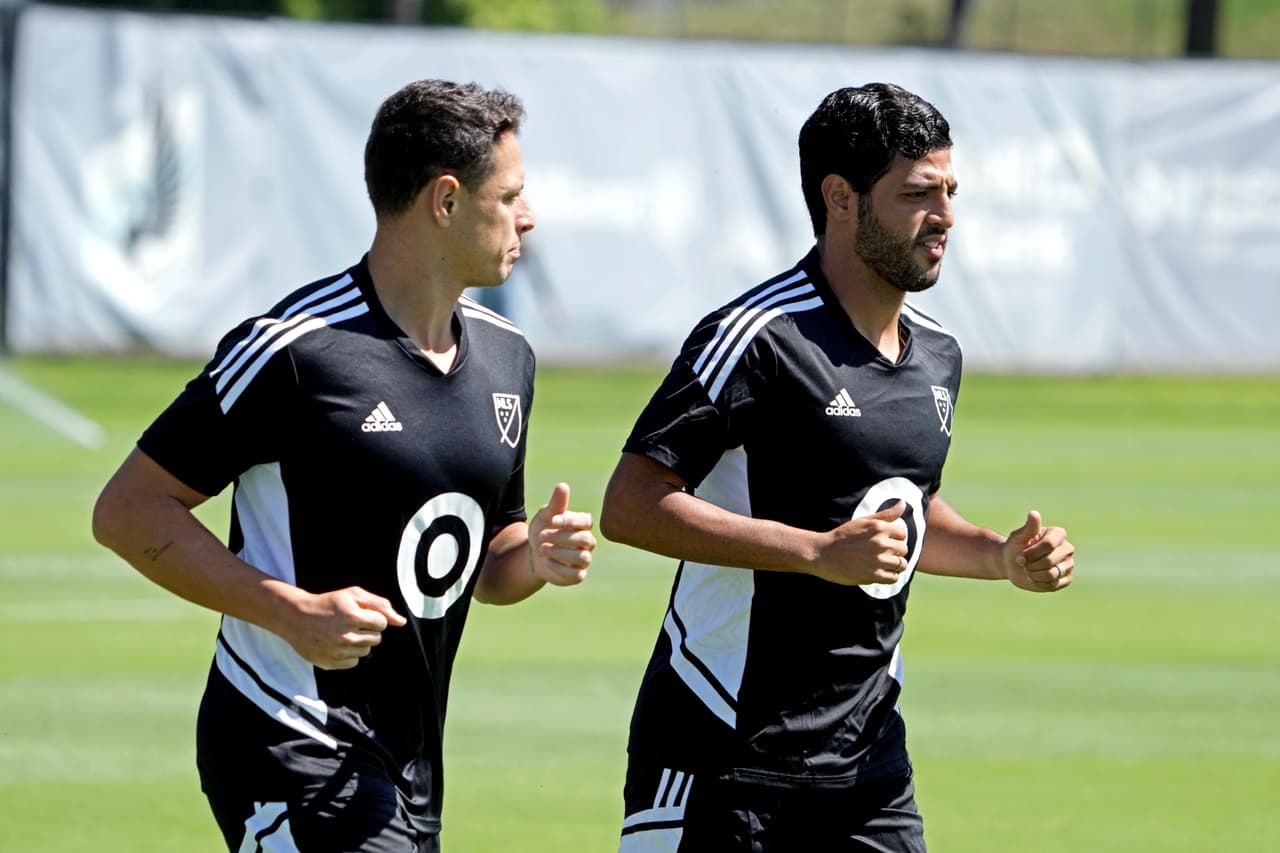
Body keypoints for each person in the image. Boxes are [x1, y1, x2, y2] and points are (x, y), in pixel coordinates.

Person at [92, 79, 597, 853]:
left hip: (408, 763)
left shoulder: (508, 358)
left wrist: (532, 553)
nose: (528, 217)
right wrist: (292, 611)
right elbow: (128, 509)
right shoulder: (292, 352)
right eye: (512, 194)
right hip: (285, 735)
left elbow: (485, 565)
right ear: (446, 200)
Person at [601, 82, 1075, 852]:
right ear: (841, 198)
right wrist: (818, 554)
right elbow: (631, 503)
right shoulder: (756, 338)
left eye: (951, 190)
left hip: (868, 760)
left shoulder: (940, 357)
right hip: (722, 746)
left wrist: (999, 556)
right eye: (918, 193)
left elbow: (907, 511)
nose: (947, 215)